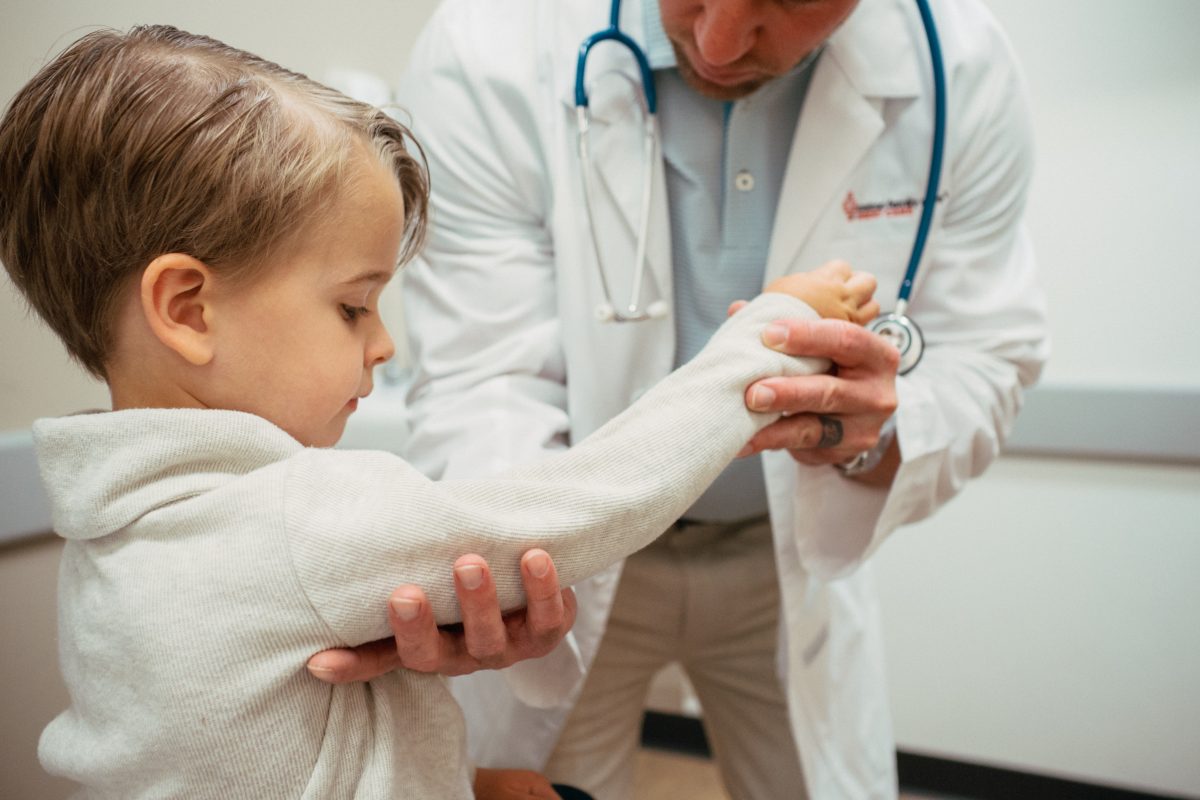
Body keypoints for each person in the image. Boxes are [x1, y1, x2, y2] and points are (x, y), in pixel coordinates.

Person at [0, 25, 882, 799]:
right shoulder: (297, 521)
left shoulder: (113, 532)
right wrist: (770, 334)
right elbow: (598, 498)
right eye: (353, 306)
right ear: (188, 309)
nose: (383, 344)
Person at [316, 0, 1050, 797]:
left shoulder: (961, 71)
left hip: (784, 559)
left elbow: (988, 356)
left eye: (790, 2)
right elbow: (485, 376)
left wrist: (871, 435)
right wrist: (508, 568)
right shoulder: (490, 41)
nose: (719, 40)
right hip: (574, 562)